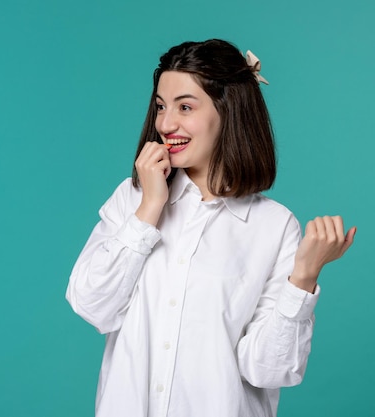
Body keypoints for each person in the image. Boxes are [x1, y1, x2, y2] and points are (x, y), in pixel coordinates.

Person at [66, 39, 356, 417]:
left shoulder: (274, 226)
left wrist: (302, 279)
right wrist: (150, 208)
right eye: (160, 106)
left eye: (185, 107)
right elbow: (92, 306)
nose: (166, 124)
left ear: (228, 110)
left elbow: (267, 369)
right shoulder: (133, 198)